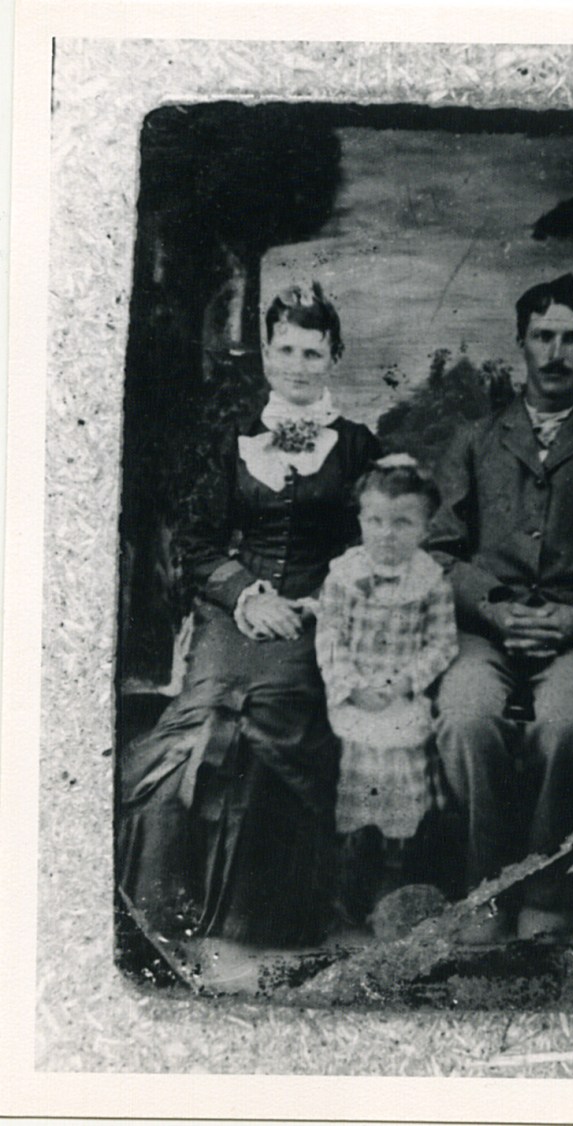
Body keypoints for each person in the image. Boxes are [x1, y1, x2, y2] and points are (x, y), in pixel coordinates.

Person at [118, 282, 381, 948]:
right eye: (285, 349)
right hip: (232, 616)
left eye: (312, 353)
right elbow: (198, 544)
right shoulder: (235, 442)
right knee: (195, 735)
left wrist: (323, 602)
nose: (297, 365)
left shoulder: (356, 448)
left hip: (317, 621)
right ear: (267, 354)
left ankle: (246, 928)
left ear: (334, 357)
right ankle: (166, 921)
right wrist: (246, 594)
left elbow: (373, 547)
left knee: (261, 734)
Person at [428, 273, 573, 942]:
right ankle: (483, 892)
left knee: (566, 723)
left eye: (572, 337)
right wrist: (496, 608)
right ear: (521, 343)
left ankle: (548, 894)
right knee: (465, 716)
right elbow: (439, 555)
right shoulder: (476, 441)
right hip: (485, 630)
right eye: (543, 336)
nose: (556, 352)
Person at [315, 455, 458, 926]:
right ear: (360, 520)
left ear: (425, 527)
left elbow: (442, 643)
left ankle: (396, 882)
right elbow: (329, 637)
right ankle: (348, 878)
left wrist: (404, 682)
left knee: (404, 794)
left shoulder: (430, 581)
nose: (386, 533)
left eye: (402, 522)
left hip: (401, 702)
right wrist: (351, 686)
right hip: (356, 703)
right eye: (374, 520)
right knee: (352, 791)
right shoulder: (343, 575)